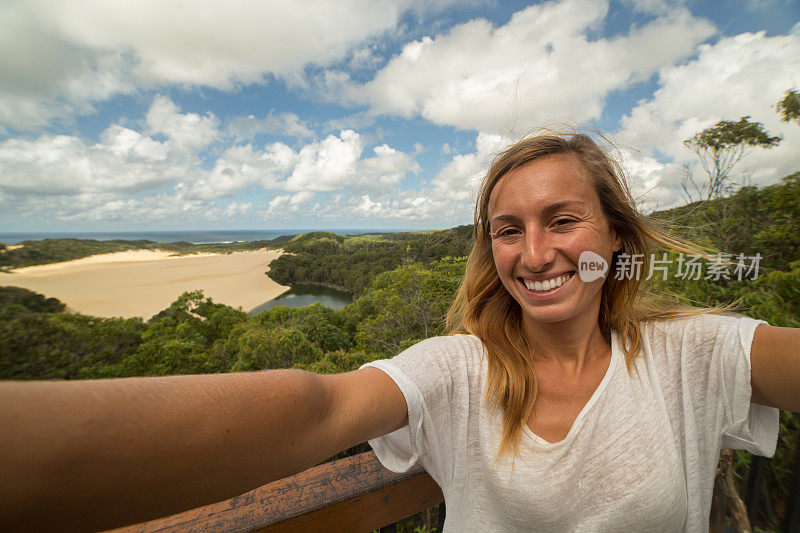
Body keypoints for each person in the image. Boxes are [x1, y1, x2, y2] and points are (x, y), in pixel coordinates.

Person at [0, 132, 798, 532]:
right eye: (507, 230)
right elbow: (319, 408)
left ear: (616, 236)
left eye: (563, 220)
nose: (535, 252)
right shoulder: (458, 368)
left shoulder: (694, 353)